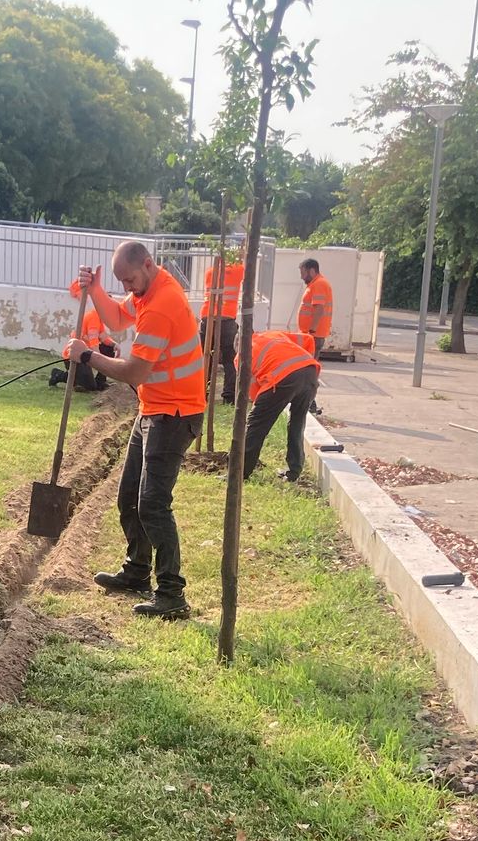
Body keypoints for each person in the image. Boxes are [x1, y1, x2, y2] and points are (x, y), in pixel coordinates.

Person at [75, 241, 206, 621]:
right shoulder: (149, 290)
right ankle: (136, 571)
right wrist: (97, 290)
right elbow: (117, 320)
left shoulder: (162, 304)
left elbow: (133, 372)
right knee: (129, 496)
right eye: (122, 282)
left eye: (130, 280)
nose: (128, 288)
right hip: (154, 408)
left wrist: (87, 356)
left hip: (175, 414)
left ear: (148, 265)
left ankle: (171, 593)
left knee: (152, 503)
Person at [243, 328, 320, 483]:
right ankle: (294, 471)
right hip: (310, 370)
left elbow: (253, 393)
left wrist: (258, 409)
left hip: (283, 377)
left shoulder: (241, 357)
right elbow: (308, 340)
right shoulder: (273, 334)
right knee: (297, 423)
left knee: (256, 425)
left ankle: (240, 472)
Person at [50, 276, 116, 392]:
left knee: (109, 348)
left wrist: (115, 344)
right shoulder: (94, 317)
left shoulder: (100, 317)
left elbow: (103, 337)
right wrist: (102, 361)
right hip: (74, 354)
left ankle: (100, 381)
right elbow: (94, 343)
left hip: (85, 353)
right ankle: (58, 375)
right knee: (89, 387)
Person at [200, 252, 245, 401]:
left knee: (206, 358)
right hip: (226, 319)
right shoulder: (237, 270)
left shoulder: (210, 272)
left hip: (207, 317)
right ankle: (229, 396)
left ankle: (202, 393)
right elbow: (244, 267)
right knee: (230, 358)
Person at [297, 258, 334, 356]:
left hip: (313, 334)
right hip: (312, 334)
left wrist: (311, 331)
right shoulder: (315, 284)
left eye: (303, 273)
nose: (301, 277)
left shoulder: (319, 284)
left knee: (308, 363)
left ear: (312, 271)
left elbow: (319, 308)